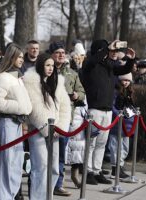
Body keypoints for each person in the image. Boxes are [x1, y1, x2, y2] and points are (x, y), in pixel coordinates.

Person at [82, 39, 136, 185]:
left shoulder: (110, 66)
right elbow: (92, 61)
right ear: (100, 51)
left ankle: (96, 170)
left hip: (106, 111)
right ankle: (87, 171)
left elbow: (124, 70)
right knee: (91, 143)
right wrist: (107, 49)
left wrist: (131, 60)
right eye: (107, 50)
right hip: (94, 109)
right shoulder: (90, 64)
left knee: (101, 143)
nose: (112, 52)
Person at [23, 53, 71, 200]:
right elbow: (35, 109)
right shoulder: (31, 81)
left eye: (52, 65)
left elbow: (65, 107)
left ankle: (47, 197)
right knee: (41, 167)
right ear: (40, 66)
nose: (50, 68)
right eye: (47, 65)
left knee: (54, 168)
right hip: (37, 130)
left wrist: (60, 127)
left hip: (55, 131)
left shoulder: (57, 82)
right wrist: (48, 129)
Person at [0, 44, 32, 200]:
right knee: (6, 165)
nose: (21, 60)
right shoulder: (3, 77)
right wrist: (19, 107)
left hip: (17, 124)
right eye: (18, 56)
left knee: (15, 165)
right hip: (6, 124)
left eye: (22, 57)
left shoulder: (18, 78)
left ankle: (11, 196)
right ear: (11, 57)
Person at [49, 41, 84, 195]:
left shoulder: (72, 73)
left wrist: (77, 95)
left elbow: (81, 91)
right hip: (48, 118)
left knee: (61, 155)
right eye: (58, 52)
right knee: (44, 154)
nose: (61, 55)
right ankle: (42, 183)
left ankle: (58, 185)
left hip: (65, 119)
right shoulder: (46, 70)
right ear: (51, 55)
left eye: (63, 52)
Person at [108, 72, 135, 179]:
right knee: (115, 147)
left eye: (128, 81)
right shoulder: (115, 92)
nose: (126, 82)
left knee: (125, 148)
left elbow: (131, 107)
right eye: (124, 80)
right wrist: (119, 114)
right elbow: (112, 106)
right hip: (117, 124)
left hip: (128, 125)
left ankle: (120, 165)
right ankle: (116, 168)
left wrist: (132, 115)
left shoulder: (130, 93)